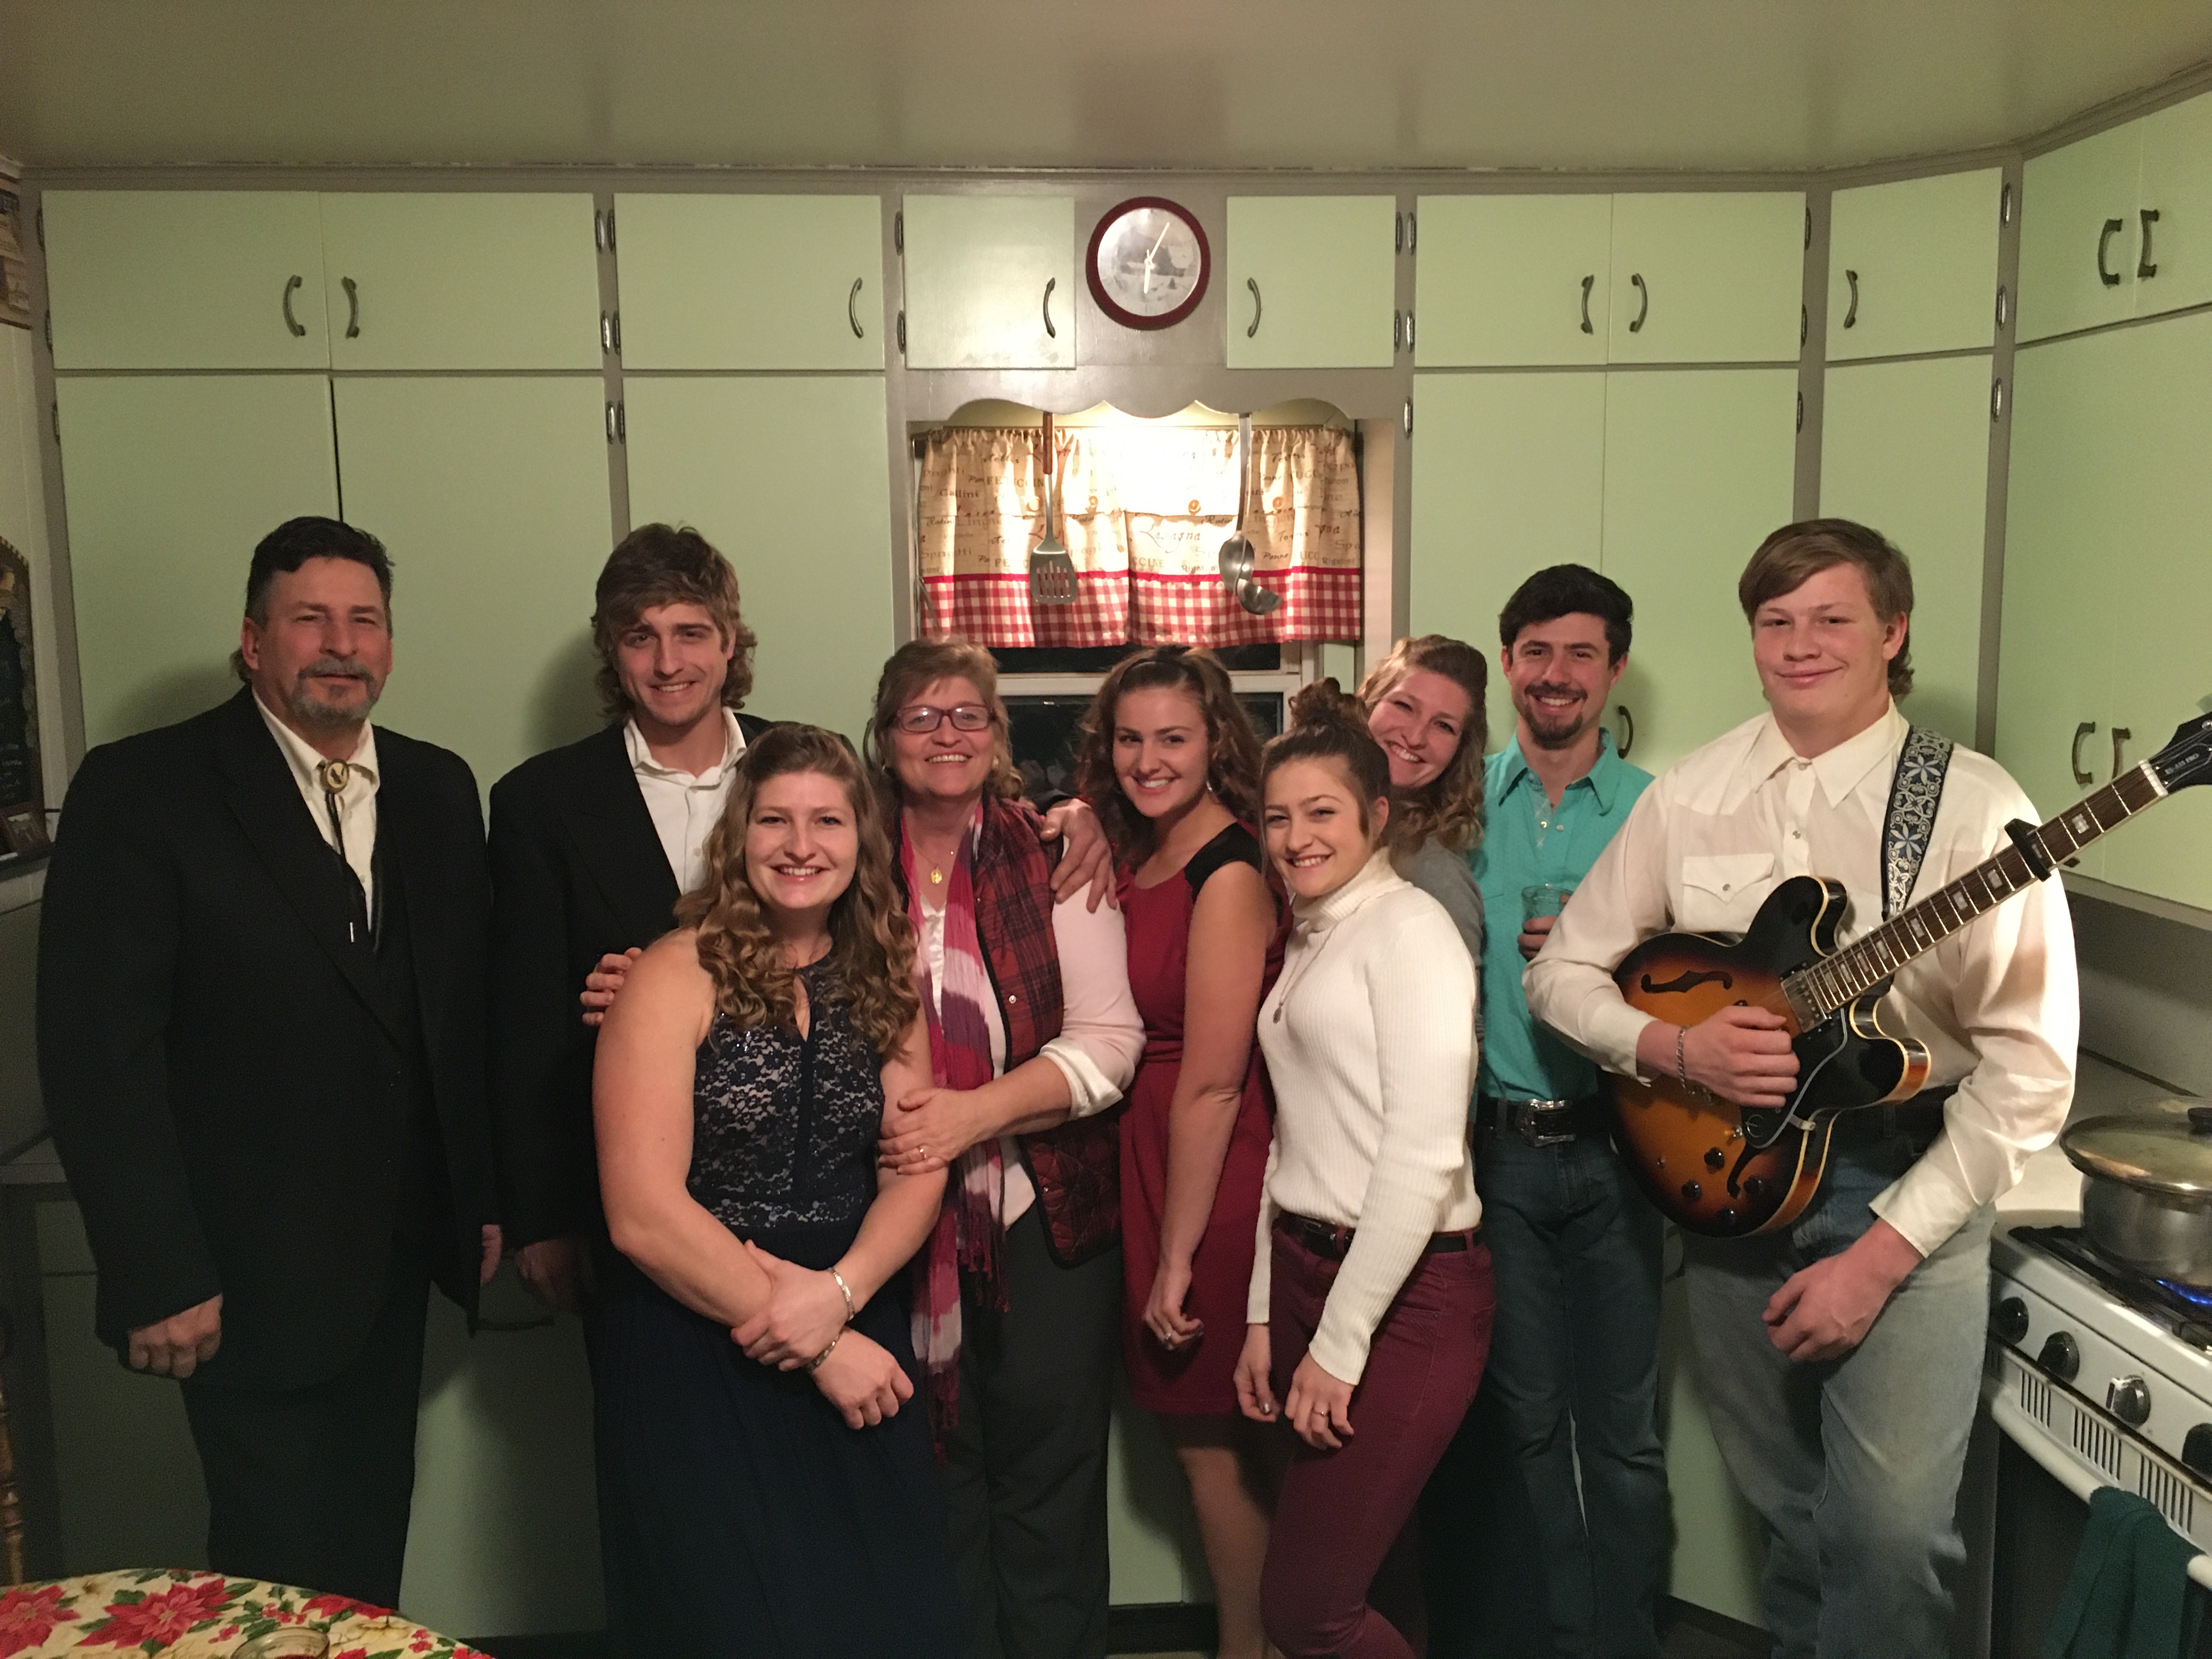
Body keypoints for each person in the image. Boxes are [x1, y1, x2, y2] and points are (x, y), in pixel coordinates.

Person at [1526, 521, 2078, 1659]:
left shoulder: (1975, 809)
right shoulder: (1694, 791)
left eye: (1832, 618)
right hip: (1730, 1181)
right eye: (1775, 621)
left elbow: (2030, 1070)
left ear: (1893, 631)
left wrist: (1877, 1260)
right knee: (1788, 1519)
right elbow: (1561, 974)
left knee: (1889, 1539)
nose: (1799, 643)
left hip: (1907, 1187)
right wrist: (1677, 1050)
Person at [36, 516, 499, 1609]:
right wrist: (156, 1269)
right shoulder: (143, 789)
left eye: (364, 620)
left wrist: (478, 1195)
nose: (341, 644)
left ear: (389, 644)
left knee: (369, 1549)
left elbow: (455, 1017)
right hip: (236, 1276)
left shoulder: (438, 787)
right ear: (253, 641)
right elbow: (98, 1052)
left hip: (395, 1262)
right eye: (310, 619)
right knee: (271, 1573)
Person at [493, 524, 1113, 1316]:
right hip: (635, 1202)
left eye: (692, 634)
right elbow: (519, 1022)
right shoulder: (540, 800)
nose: (669, 662)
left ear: (730, 643)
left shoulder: (801, 762)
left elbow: (933, 804)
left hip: (826, 1195)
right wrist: (539, 1216)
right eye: (640, 638)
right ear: (613, 652)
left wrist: (1072, 811)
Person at [589, 723, 959, 1658]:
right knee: (733, 1625)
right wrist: (819, 1341)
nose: (801, 845)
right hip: (694, 1332)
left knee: (889, 1614)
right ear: (738, 836)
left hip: (856, 1305)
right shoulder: (672, 973)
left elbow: (915, 1161)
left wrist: (840, 1296)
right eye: (774, 820)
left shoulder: (882, 972)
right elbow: (641, 1214)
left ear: (861, 838)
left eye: (827, 820)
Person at [867, 639, 1144, 1659]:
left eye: (967, 715)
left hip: (1042, 1219)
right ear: (884, 738)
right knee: (926, 1485)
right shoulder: (841, 856)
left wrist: (971, 1116)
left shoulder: (1056, 853)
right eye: (920, 716)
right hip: (886, 1223)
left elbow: (1110, 1043)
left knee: (1048, 1491)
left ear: (996, 734)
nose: (946, 734)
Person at [1234, 681, 1492, 1659]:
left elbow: (1423, 1157)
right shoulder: (1316, 930)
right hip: (1311, 1268)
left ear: (1376, 816)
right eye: (1277, 818)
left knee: (1306, 1609)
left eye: (1322, 814)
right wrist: (1265, 1314)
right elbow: (1292, 1140)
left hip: (1409, 1291)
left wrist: (1340, 1344)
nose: (1296, 838)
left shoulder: (1410, 930)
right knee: (1379, 1576)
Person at [1441, 565, 1666, 1659]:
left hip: (1627, 1151)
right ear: (1507, 665)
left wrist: (1608, 953)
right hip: (1497, 1156)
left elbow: (1710, 976)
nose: (1556, 673)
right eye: (1536, 651)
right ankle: (1553, 1639)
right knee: (1524, 1429)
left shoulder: (1659, 811)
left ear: (1613, 668)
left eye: (1581, 652)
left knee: (1624, 1437)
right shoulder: (1455, 804)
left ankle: (1627, 1643)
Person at [1073, 645, 1281, 1659]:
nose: (1148, 760)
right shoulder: (1138, 847)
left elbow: (1214, 1081)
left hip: (1214, 1168)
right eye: (1129, 739)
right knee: (1201, 1437)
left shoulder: (1228, 870)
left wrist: (1177, 1254)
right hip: (1149, 1150)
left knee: (1214, 1443)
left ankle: (1253, 1647)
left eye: (1172, 739)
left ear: (1215, 743)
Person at [1356, 634, 1489, 963]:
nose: (1415, 737)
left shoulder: (1436, 876)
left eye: (1443, 726)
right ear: (1370, 702)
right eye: (1404, 706)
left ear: (1459, 752)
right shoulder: (1309, 823)